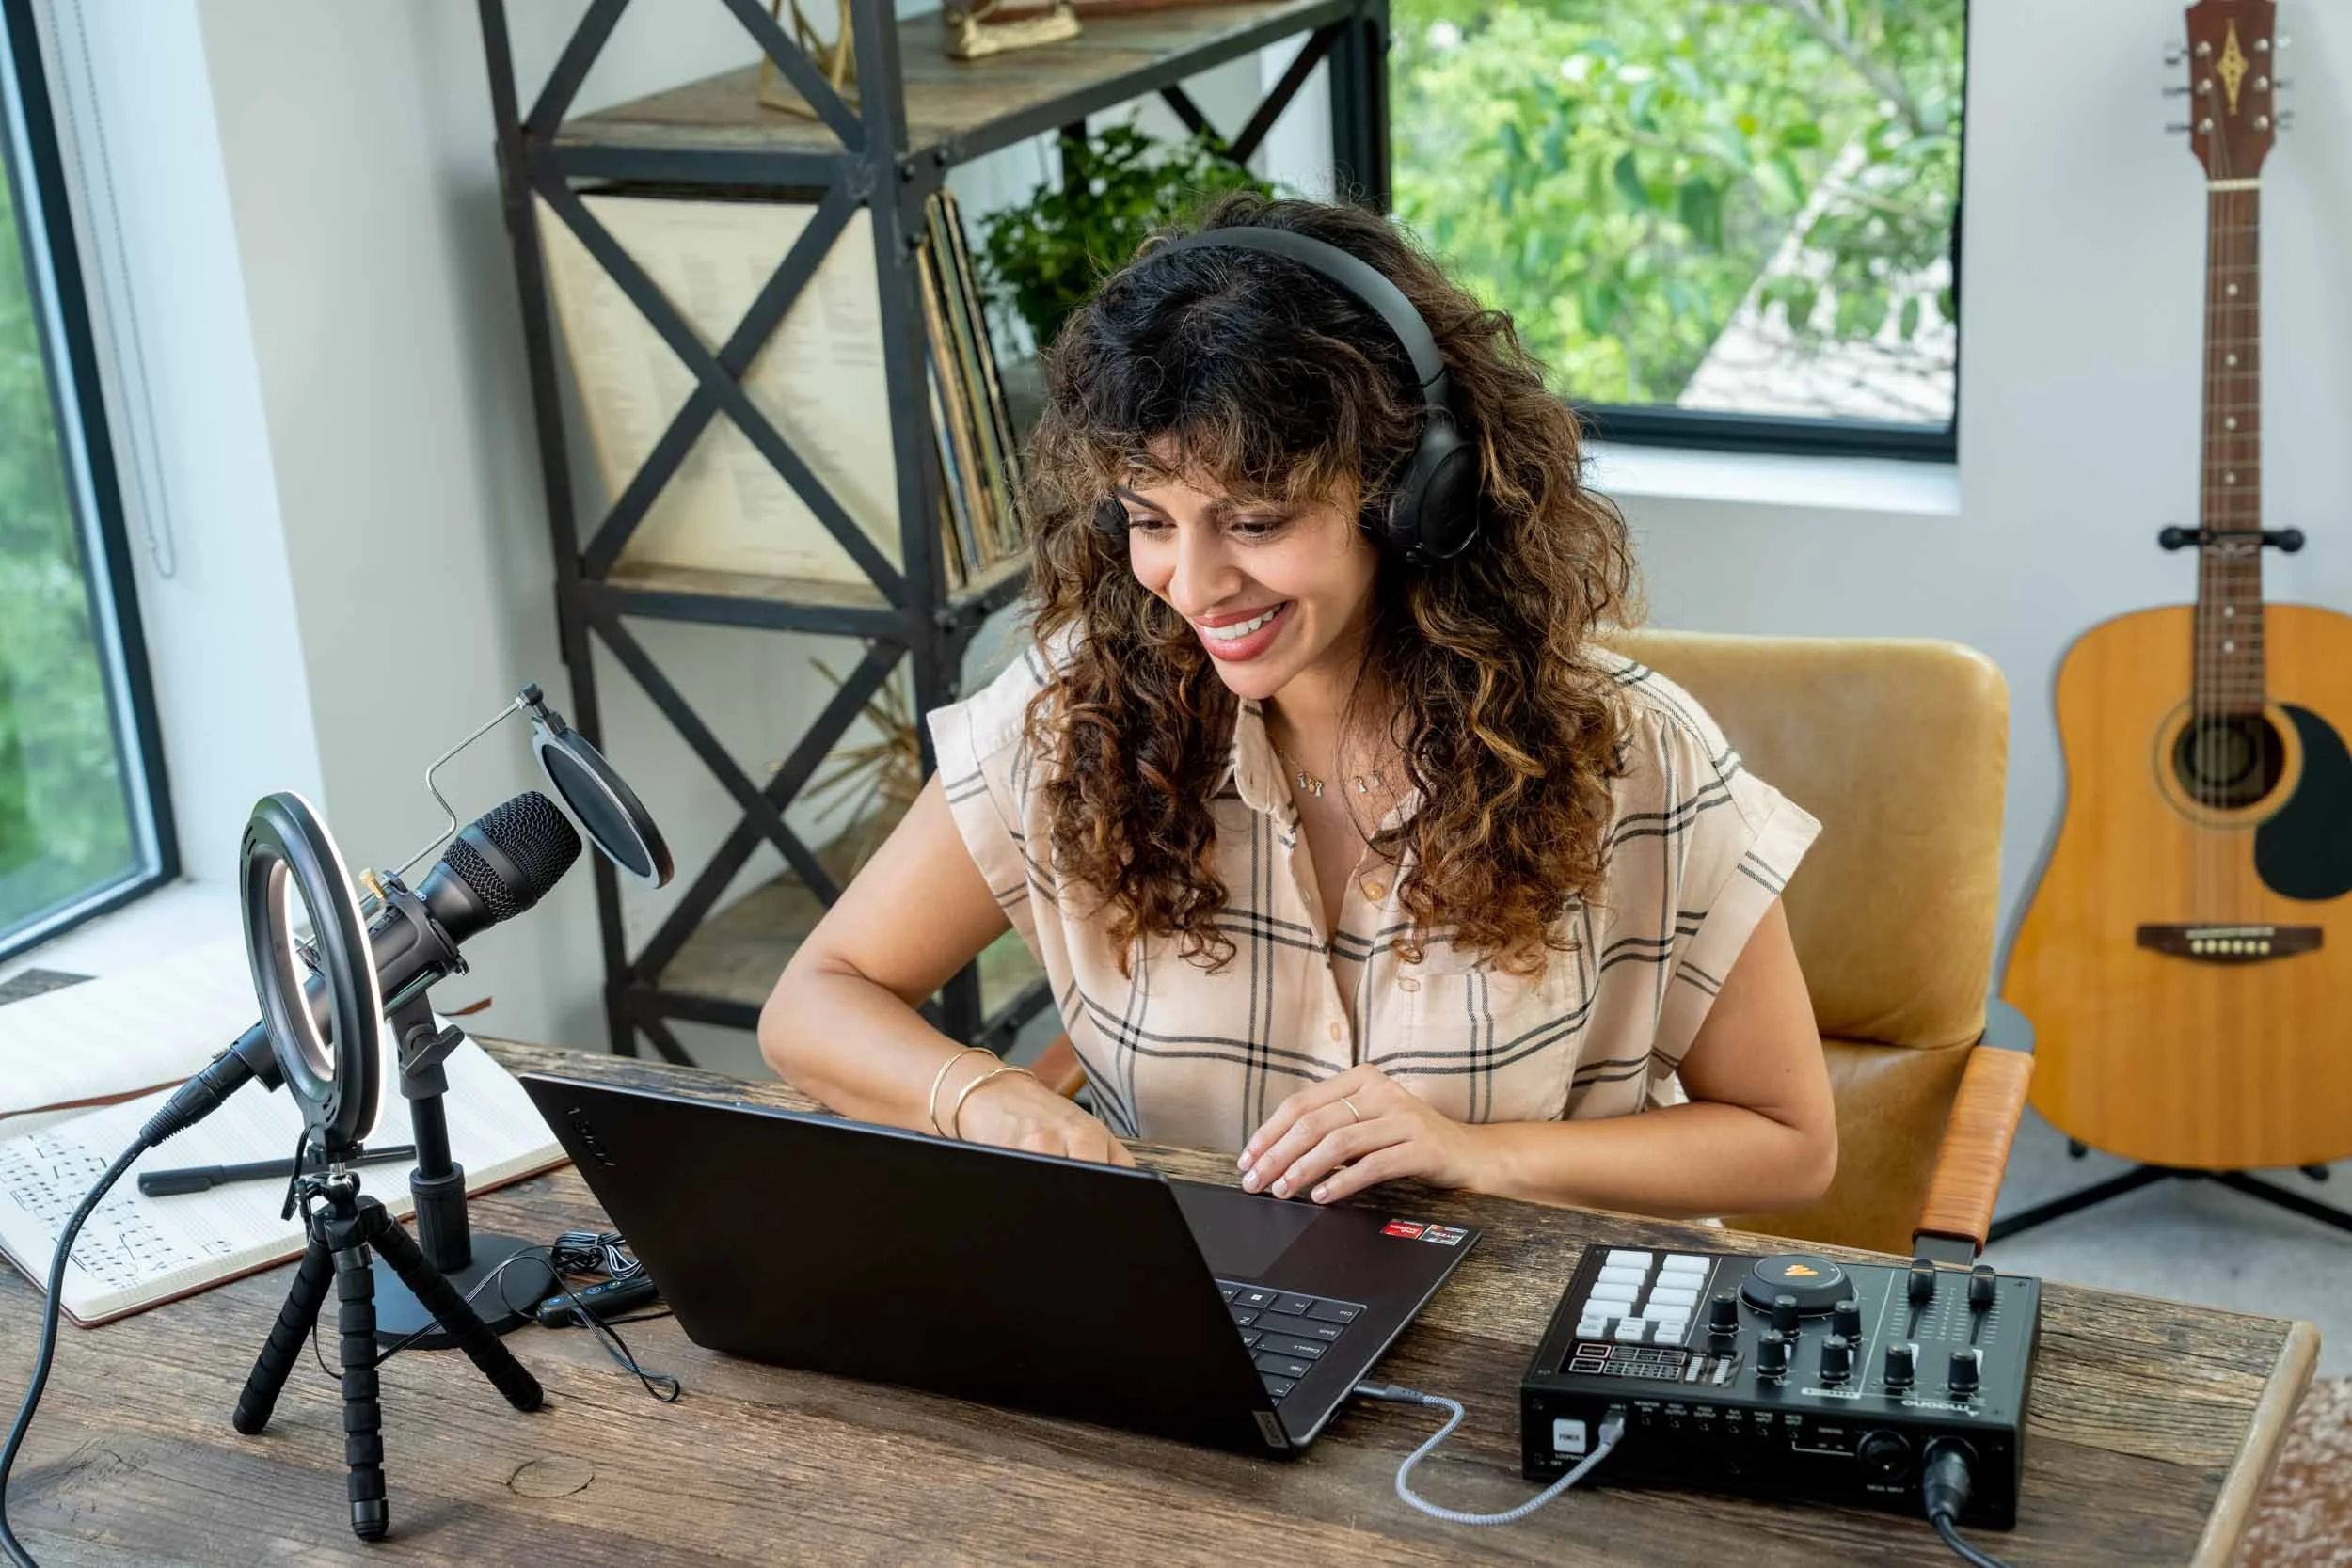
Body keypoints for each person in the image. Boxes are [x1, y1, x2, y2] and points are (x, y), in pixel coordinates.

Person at [760, 192, 1836, 1221]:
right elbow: (817, 998)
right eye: (1147, 519)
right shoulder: (1072, 712)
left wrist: (1476, 1154)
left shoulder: (1632, 753)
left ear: (1415, 494)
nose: (1193, 582)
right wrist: (979, 1094)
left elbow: (1788, 1139)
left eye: (1257, 521)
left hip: (1514, 1339)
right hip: (1195, 1332)